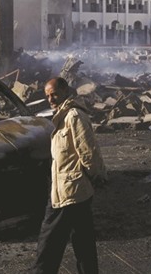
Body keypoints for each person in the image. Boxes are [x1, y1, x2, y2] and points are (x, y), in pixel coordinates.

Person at [32, 77, 107, 274]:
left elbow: (88, 151)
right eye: (47, 96)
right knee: (83, 242)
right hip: (71, 189)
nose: (51, 99)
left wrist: (98, 176)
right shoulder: (62, 115)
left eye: (54, 94)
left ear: (65, 91)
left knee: (48, 244)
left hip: (69, 191)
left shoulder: (74, 116)